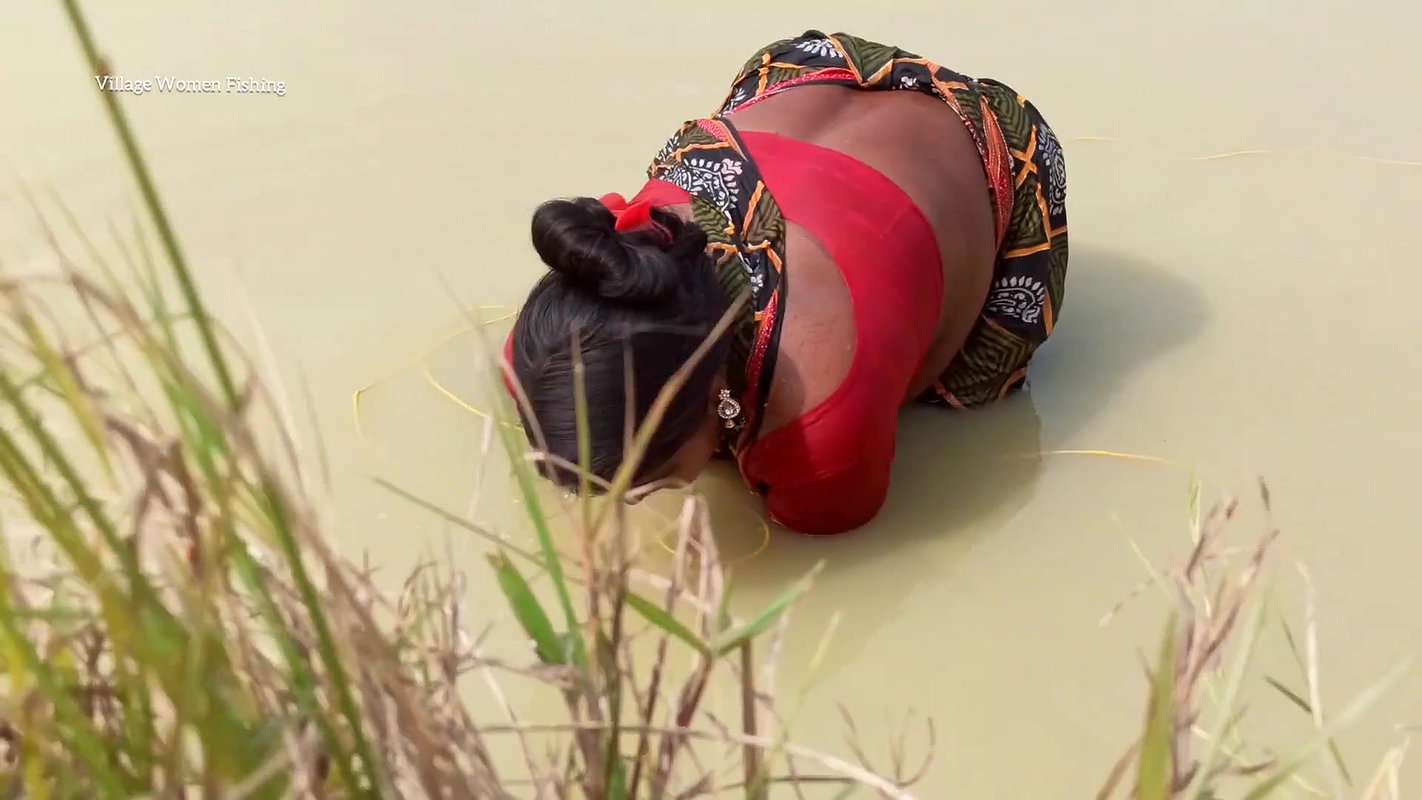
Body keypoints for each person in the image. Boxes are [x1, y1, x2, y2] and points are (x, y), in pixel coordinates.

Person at [503, 30, 1069, 535]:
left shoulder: (819, 435)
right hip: (802, 70)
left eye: (646, 485)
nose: (630, 504)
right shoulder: (593, 280)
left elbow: (826, 570)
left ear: (707, 399)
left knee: (966, 395)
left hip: (997, 147)